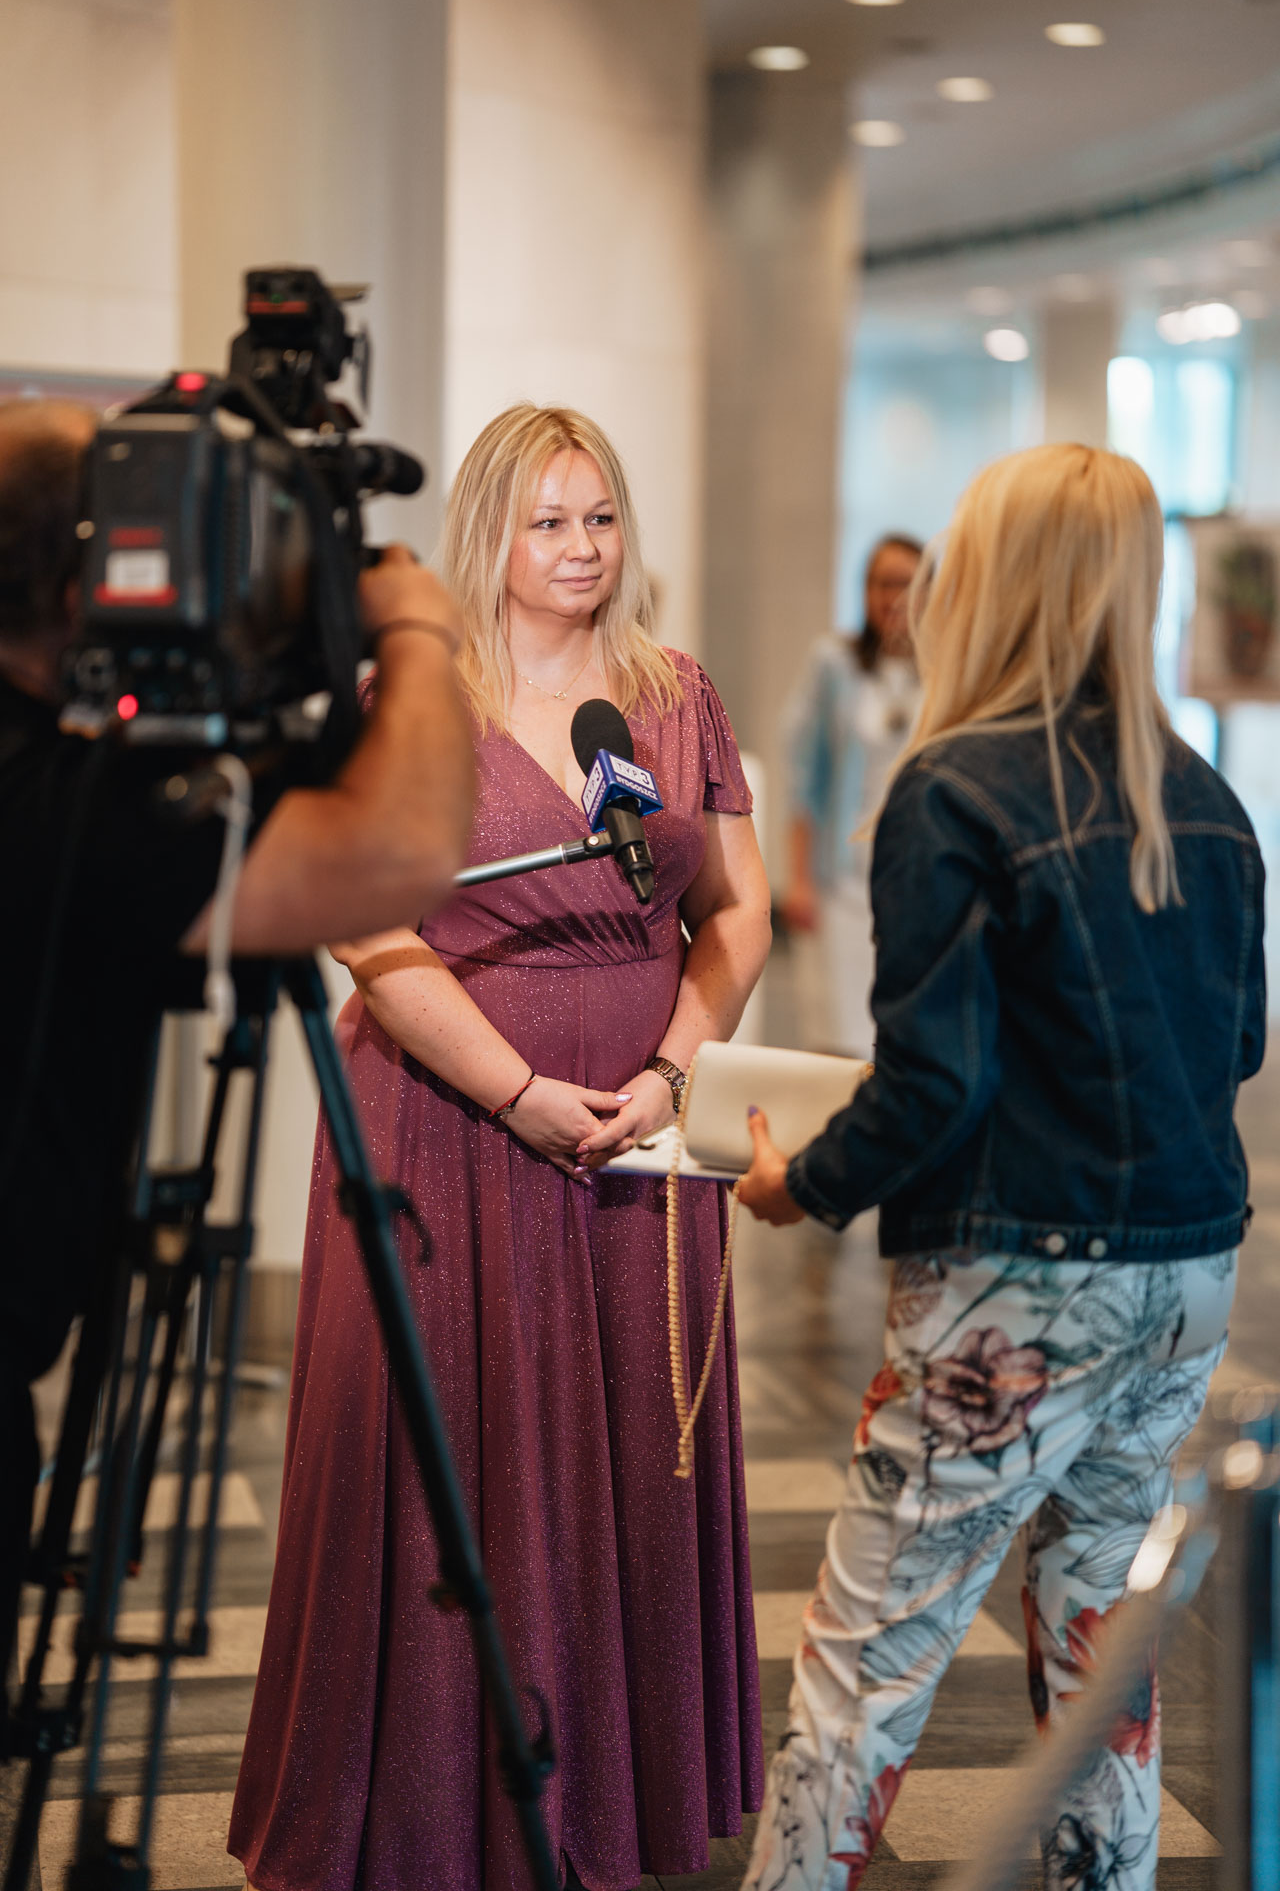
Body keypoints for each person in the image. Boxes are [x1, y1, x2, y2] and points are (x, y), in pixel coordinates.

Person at [229, 404, 772, 1891]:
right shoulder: (407, 703)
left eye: (600, 517)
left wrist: (671, 1068)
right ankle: (414, 1816)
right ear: (488, 530)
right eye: (548, 521)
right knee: (447, 1452)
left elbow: (733, 911)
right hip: (445, 1120)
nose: (581, 549)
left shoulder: (672, 692)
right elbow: (364, 925)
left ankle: (610, 1805)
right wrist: (515, 1088)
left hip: (640, 1132)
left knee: (629, 1460)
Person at [735, 444, 1266, 1891]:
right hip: (1187, 1275)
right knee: (1102, 1657)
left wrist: (800, 1183)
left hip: (1015, 1293)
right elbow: (1234, 1046)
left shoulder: (952, 789)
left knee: (868, 1661)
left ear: (984, 583)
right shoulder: (1208, 802)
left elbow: (934, 1080)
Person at [0, 398, 473, 1725]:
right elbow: (400, 853)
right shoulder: (65, 805)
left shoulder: (56, 769)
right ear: (87, 580)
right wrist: (414, 630)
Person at [782, 534, 923, 1058]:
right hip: (841, 881)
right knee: (839, 1034)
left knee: (897, 1032)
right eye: (884, 583)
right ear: (866, 591)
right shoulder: (835, 663)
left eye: (908, 584)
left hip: (911, 879)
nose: (895, 597)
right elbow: (804, 774)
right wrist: (799, 878)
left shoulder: (944, 670)